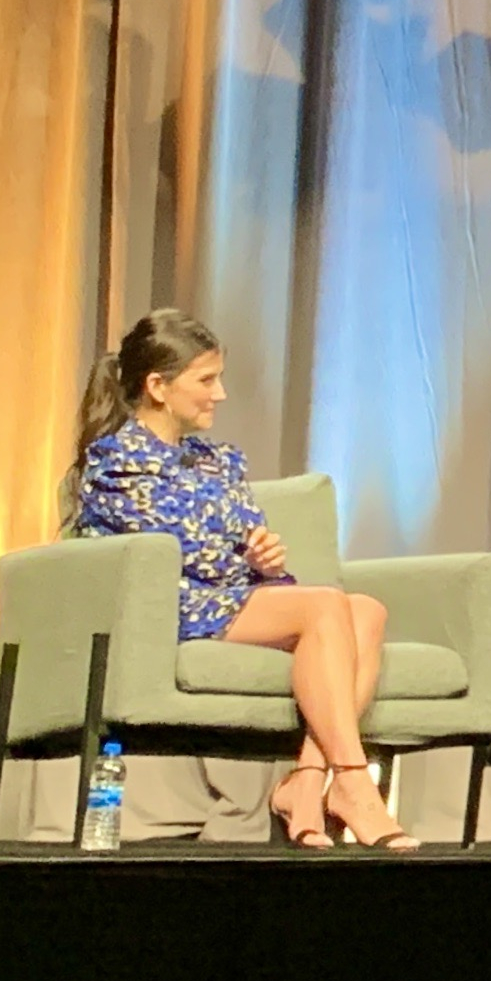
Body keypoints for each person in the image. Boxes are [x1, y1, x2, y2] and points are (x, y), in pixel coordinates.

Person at [69, 307, 412, 850]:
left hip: (230, 596)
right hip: (174, 608)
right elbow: (184, 554)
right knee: (325, 605)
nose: (220, 393)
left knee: (366, 609)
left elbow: (236, 542)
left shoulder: (218, 460)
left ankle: (303, 783)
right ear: (157, 386)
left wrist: (266, 557)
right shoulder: (117, 462)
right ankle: (350, 779)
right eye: (206, 380)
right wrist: (242, 556)